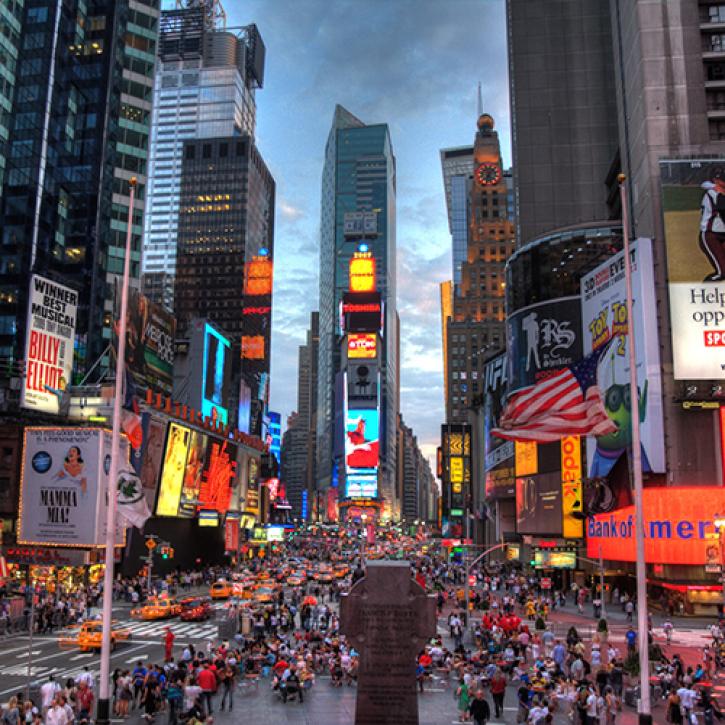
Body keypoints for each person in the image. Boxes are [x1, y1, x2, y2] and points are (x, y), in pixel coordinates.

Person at [699, 168, 725, 281]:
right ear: (715, 180)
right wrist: (717, 190)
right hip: (711, 235)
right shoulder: (714, 192)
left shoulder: (715, 189)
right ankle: (704, 292)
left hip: (722, 234)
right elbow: (722, 207)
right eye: (722, 179)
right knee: (722, 273)